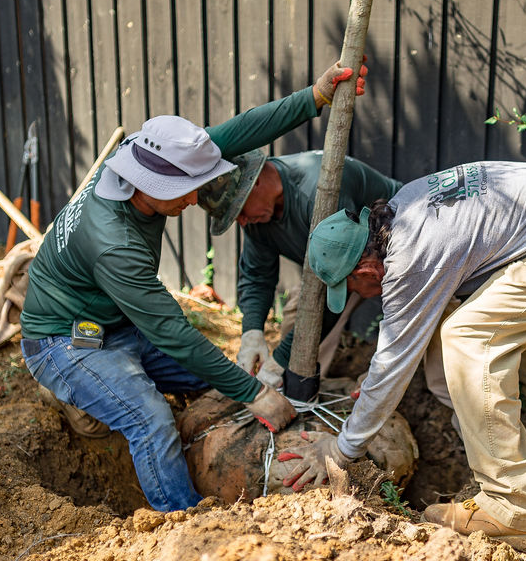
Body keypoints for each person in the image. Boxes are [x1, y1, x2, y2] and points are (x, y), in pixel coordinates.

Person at [19, 62, 361, 512]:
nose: (196, 198)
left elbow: (244, 129)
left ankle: (101, 392)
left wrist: (313, 97)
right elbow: (171, 333)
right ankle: (186, 520)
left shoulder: (150, 156)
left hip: (117, 319)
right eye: (187, 190)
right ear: (152, 185)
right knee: (151, 419)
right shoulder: (114, 244)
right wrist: (257, 395)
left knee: (215, 378)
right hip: (66, 341)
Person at [281, 160, 526, 549]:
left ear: (366, 271)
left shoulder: (409, 259)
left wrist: (340, 450)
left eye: (351, 287)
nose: (357, 295)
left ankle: (515, 506)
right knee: (493, 321)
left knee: (468, 337)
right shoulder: (405, 209)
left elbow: (391, 365)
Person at [197, 148, 401, 387]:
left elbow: (330, 290)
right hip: (346, 270)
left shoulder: (319, 191)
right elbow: (257, 276)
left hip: (397, 253)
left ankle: (436, 398)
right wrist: (252, 332)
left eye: (239, 211)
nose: (241, 222)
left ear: (255, 182)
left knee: (430, 330)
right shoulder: (256, 218)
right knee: (297, 316)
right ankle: (304, 390)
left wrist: (281, 359)